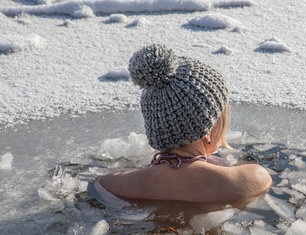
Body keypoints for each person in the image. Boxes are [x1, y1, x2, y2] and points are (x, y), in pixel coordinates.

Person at [98, 44, 272, 203]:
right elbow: (261, 177)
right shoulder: (252, 177)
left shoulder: (114, 183)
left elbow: (104, 182)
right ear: (207, 128)